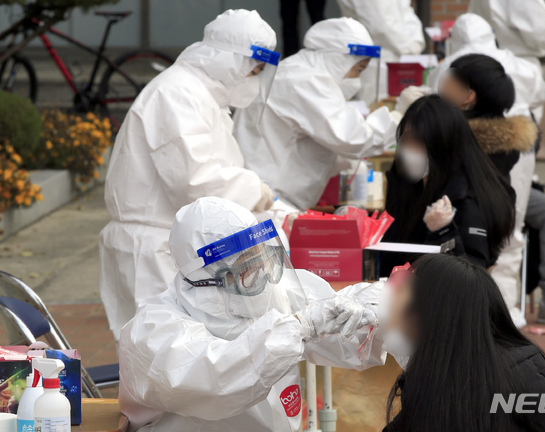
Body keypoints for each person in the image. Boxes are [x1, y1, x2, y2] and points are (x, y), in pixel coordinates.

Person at [119, 196, 385, 431]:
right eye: (247, 268)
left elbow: (346, 329)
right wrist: (298, 327)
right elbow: (217, 380)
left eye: (264, 260)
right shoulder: (152, 330)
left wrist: (382, 309)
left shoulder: (273, 291)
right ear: (207, 280)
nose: (265, 278)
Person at [99, 10, 279, 342]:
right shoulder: (177, 93)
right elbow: (196, 182)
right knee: (162, 361)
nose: (253, 79)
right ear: (229, 60)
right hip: (153, 251)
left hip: (171, 244)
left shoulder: (199, 95)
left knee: (177, 362)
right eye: (252, 70)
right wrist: (256, 191)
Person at [438, 54, 545, 326]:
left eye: (450, 76)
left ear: (468, 96)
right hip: (496, 219)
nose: (441, 80)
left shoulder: (457, 140)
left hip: (483, 226)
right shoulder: (502, 131)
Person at [380, 254, 545, 432]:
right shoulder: (460, 367)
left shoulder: (464, 386)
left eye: (401, 288)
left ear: (428, 310)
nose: (389, 297)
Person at [234, 18, 397, 210]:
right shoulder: (306, 80)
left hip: (266, 195)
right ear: (339, 60)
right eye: (358, 69)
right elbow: (355, 139)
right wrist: (399, 116)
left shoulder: (297, 71)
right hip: (270, 200)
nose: (356, 80)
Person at [382, 95, 515, 272]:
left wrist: (443, 231)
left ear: (443, 144)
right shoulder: (412, 185)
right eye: (406, 141)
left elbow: (472, 277)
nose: (409, 151)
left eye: (418, 142)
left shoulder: (467, 201)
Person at [426, 13, 545, 121]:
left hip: (463, 140)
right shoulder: (520, 65)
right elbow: (540, 94)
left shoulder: (442, 70)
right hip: (517, 140)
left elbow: (434, 109)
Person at [336, 0, 426, 104]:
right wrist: (410, 47)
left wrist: (415, 40)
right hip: (377, 60)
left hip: (398, 53)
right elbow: (379, 24)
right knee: (377, 109)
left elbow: (405, 10)